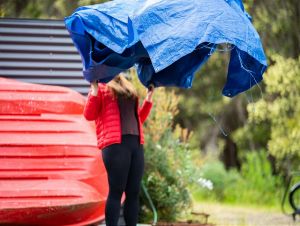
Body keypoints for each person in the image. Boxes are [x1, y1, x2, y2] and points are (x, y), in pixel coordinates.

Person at [83, 74, 154, 226]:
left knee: (133, 193)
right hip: (115, 145)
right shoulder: (101, 86)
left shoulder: (128, 87)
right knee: (116, 191)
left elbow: (138, 119)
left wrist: (148, 99)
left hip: (135, 144)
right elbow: (89, 115)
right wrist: (94, 90)